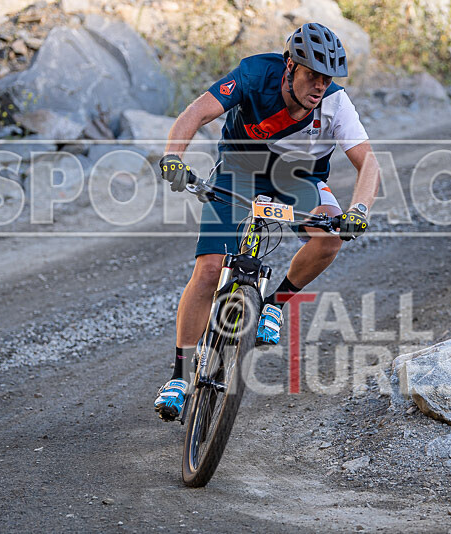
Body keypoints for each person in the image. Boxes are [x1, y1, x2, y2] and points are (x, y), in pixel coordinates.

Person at [154, 23, 380, 420]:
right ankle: (179, 375)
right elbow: (196, 112)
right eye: (312, 75)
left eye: (326, 79)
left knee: (329, 239)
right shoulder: (256, 73)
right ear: (290, 66)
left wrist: (358, 210)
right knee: (208, 272)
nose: (319, 86)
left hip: (298, 179)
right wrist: (174, 157)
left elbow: (368, 162)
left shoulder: (336, 103)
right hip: (240, 171)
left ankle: (273, 304)